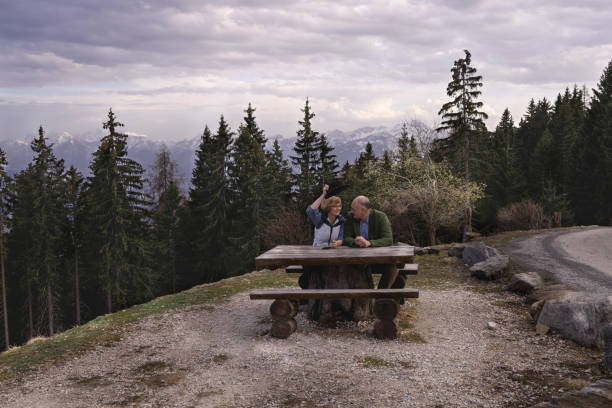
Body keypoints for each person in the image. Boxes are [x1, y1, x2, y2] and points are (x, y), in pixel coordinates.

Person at [343, 195, 398, 289]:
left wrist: (369, 243)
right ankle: (354, 295)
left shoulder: (380, 217)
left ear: (363, 210)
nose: (351, 211)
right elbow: (346, 238)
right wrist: (355, 241)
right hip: (357, 260)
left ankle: (381, 294)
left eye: (353, 209)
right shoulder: (350, 217)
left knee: (394, 265)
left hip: (378, 259)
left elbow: (388, 239)